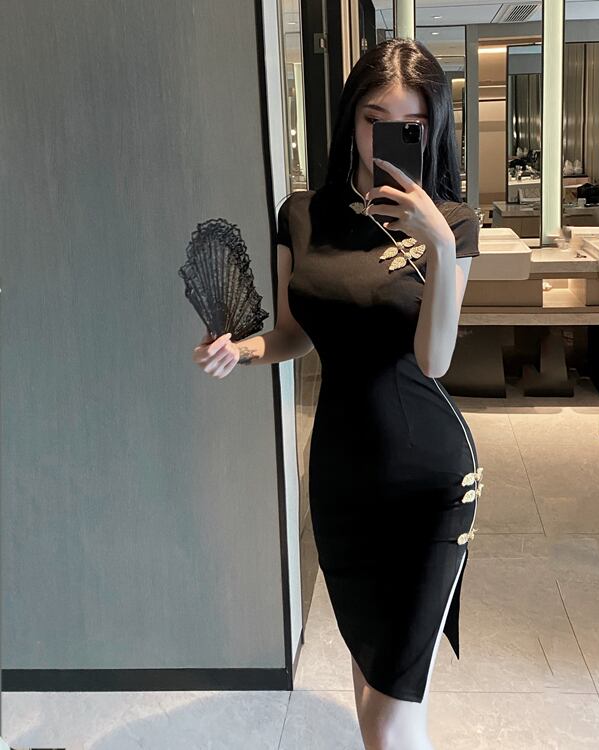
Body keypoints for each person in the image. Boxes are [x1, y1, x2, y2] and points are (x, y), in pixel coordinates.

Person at [193, 37, 484, 750]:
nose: (386, 138)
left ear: (433, 130)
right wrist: (244, 347)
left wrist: (441, 245)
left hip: (428, 479)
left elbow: (435, 360)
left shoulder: (454, 223)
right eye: (373, 119)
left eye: (410, 125)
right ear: (351, 118)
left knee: (389, 717)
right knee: (369, 680)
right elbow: (295, 335)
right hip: (341, 476)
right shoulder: (302, 215)